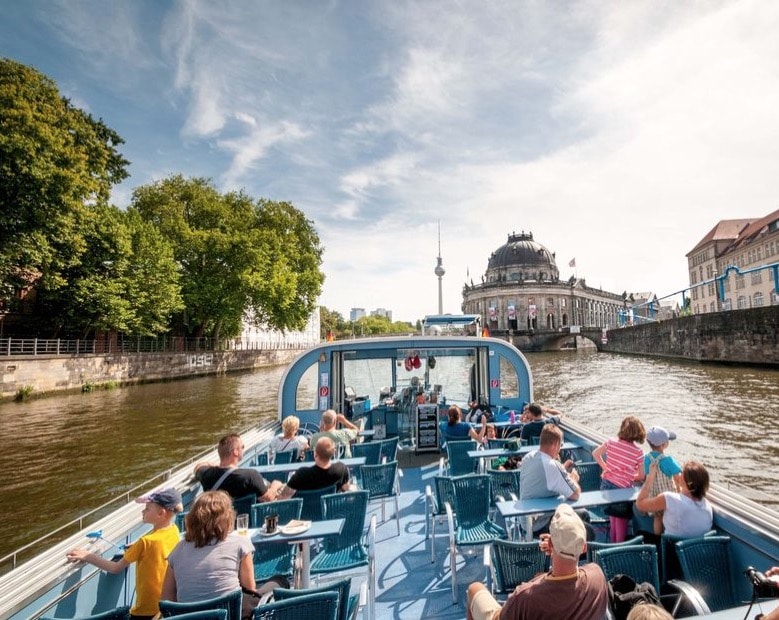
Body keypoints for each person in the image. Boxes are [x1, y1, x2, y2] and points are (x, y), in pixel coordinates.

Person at [466, 504, 608, 620]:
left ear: (550, 543)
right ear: (584, 547)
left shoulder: (525, 597)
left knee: (474, 588)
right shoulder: (597, 577)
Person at [161, 490, 282, 620]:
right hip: (229, 615)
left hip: (192, 617)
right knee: (280, 582)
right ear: (228, 518)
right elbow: (249, 589)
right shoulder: (240, 544)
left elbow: (167, 599)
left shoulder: (177, 551)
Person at [66, 488, 183, 620]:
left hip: (145, 610)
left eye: (147, 508)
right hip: (165, 606)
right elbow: (160, 548)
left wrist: (87, 556)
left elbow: (115, 568)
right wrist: (137, 547)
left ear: (161, 513)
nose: (143, 511)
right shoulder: (173, 530)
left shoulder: (146, 542)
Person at [519, 424, 586, 536]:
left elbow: (545, 479)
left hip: (525, 524)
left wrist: (562, 470)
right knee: (584, 515)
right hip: (541, 526)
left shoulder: (528, 458)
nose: (560, 450)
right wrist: (572, 478)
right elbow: (575, 494)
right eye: (561, 445)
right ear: (555, 445)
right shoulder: (552, 465)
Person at [593, 415, 646, 542]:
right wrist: (630, 476)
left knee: (613, 521)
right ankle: (617, 552)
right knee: (621, 526)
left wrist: (606, 468)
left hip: (606, 487)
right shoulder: (638, 452)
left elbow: (595, 453)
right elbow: (641, 476)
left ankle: (611, 546)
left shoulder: (611, 442)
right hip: (622, 491)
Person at [194, 433, 282, 502]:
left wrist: (215, 466)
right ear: (235, 452)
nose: (243, 449)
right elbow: (268, 498)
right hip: (245, 521)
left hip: (218, 522)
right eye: (242, 447)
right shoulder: (251, 476)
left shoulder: (206, 474)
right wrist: (275, 485)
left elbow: (198, 466)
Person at [635, 460, 713, 537]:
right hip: (695, 548)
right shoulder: (707, 506)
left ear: (683, 480)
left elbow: (639, 504)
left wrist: (650, 477)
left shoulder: (668, 499)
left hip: (670, 548)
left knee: (634, 509)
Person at [633, 426, 683, 533]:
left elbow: (647, 475)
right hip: (667, 496)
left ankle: (658, 539)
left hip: (653, 495)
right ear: (663, 445)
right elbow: (678, 478)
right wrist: (680, 491)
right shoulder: (668, 460)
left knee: (657, 518)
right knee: (669, 517)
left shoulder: (646, 458)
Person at [277, 437, 350, 498]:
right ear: (333, 453)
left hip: (303, 514)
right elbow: (346, 489)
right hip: (330, 512)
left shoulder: (302, 474)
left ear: (315, 454)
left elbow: (284, 497)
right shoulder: (341, 469)